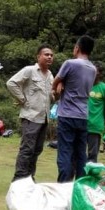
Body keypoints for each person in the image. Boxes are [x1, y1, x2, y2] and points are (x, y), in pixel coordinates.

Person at [52, 35, 96, 183]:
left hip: (67, 114)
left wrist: (56, 88)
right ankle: (81, 186)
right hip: (83, 115)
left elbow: (56, 81)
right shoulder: (93, 69)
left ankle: (63, 186)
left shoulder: (70, 63)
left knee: (65, 151)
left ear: (77, 48)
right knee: (80, 154)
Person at [7, 44, 54, 182]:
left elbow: (51, 96)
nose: (49, 57)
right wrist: (22, 99)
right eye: (46, 54)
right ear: (38, 56)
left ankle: (29, 178)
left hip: (44, 118)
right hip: (31, 116)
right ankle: (19, 179)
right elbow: (11, 83)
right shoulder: (30, 70)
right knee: (27, 149)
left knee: (37, 149)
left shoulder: (50, 75)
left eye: (51, 55)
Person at [87, 62, 105, 162]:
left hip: (95, 126)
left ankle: (90, 177)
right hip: (79, 124)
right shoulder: (83, 84)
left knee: (92, 157)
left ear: (100, 73)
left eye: (95, 71)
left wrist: (102, 121)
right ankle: (78, 177)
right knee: (77, 155)